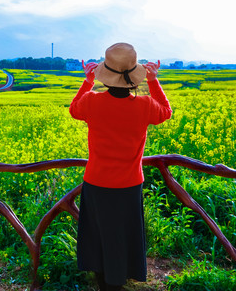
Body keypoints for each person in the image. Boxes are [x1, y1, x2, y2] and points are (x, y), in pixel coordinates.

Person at [69, 42, 172, 291]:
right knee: (123, 233)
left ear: (105, 76)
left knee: (100, 232)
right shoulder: (145, 105)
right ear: (134, 79)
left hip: (96, 182)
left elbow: (74, 110)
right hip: (129, 184)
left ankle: (103, 279)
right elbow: (166, 112)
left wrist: (87, 81)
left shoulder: (92, 102)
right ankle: (120, 278)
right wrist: (154, 81)